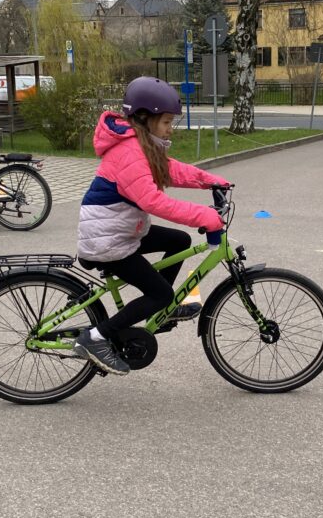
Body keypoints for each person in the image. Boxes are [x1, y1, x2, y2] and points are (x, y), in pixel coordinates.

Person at [73, 77, 230, 375]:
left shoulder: (140, 146)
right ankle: (96, 338)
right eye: (167, 121)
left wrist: (211, 180)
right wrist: (205, 216)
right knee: (160, 293)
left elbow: (170, 170)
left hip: (120, 231)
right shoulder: (129, 152)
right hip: (107, 241)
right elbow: (153, 202)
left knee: (179, 241)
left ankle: (161, 310)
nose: (171, 128)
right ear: (146, 119)